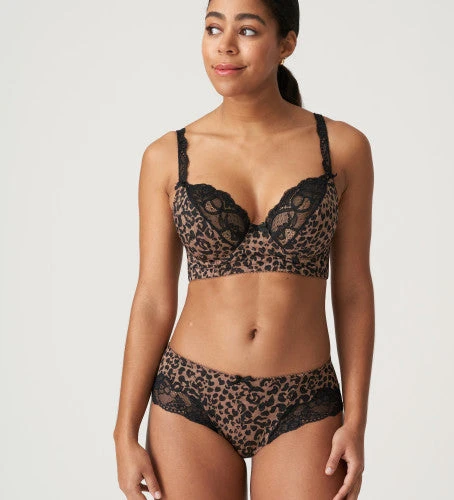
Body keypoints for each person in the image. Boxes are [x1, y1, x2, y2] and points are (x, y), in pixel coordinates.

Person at [113, 0, 374, 499]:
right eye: (213, 29)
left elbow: (354, 290)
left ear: (287, 44)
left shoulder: (342, 148)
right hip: (190, 398)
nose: (225, 46)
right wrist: (124, 432)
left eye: (248, 30)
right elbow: (152, 298)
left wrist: (356, 420)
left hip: (304, 402)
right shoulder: (167, 156)